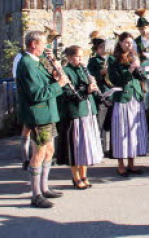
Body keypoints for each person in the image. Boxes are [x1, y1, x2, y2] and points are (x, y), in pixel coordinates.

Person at [16, 31, 69, 208]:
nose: (44, 48)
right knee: (38, 153)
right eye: (42, 44)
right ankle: (36, 194)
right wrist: (59, 85)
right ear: (33, 44)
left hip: (47, 113)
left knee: (49, 151)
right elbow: (35, 93)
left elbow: (44, 82)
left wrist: (55, 72)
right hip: (39, 114)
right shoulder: (27, 63)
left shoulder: (35, 62)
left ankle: (44, 188)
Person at [56, 46, 103, 189]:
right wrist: (86, 90)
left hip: (88, 111)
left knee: (86, 145)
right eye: (78, 57)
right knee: (76, 146)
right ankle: (76, 178)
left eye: (82, 57)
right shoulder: (66, 71)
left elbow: (89, 91)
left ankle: (84, 175)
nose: (81, 60)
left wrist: (94, 87)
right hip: (75, 114)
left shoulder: (84, 70)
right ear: (70, 57)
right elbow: (68, 94)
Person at [108, 32, 149, 177]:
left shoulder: (134, 57)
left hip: (135, 98)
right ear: (120, 43)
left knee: (134, 132)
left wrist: (138, 67)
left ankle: (132, 163)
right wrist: (131, 68)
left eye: (131, 43)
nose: (129, 45)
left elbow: (142, 77)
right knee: (122, 132)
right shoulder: (113, 60)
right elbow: (116, 80)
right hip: (123, 99)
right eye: (126, 43)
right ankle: (121, 164)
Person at [87, 32, 113, 156]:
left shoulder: (111, 59)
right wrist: (102, 72)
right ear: (97, 49)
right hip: (101, 93)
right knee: (99, 123)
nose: (104, 49)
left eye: (105, 46)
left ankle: (108, 149)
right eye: (101, 47)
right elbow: (91, 75)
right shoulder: (93, 60)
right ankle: (97, 149)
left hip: (112, 93)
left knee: (110, 123)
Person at [13, 49, 31, 171]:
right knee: (27, 128)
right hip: (27, 98)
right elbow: (16, 77)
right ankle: (25, 158)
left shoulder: (41, 57)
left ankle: (34, 157)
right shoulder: (20, 57)